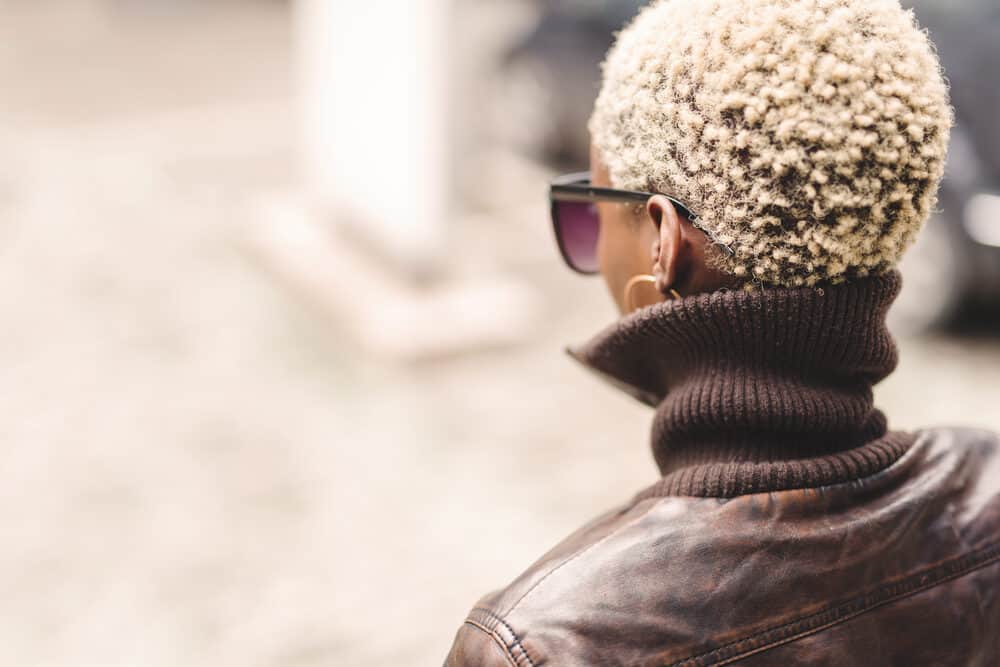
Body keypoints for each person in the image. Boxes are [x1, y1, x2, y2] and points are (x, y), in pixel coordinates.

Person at [445, 0, 1000, 664]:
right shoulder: (988, 497)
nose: (589, 248)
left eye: (590, 217)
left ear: (664, 242)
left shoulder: (541, 641)